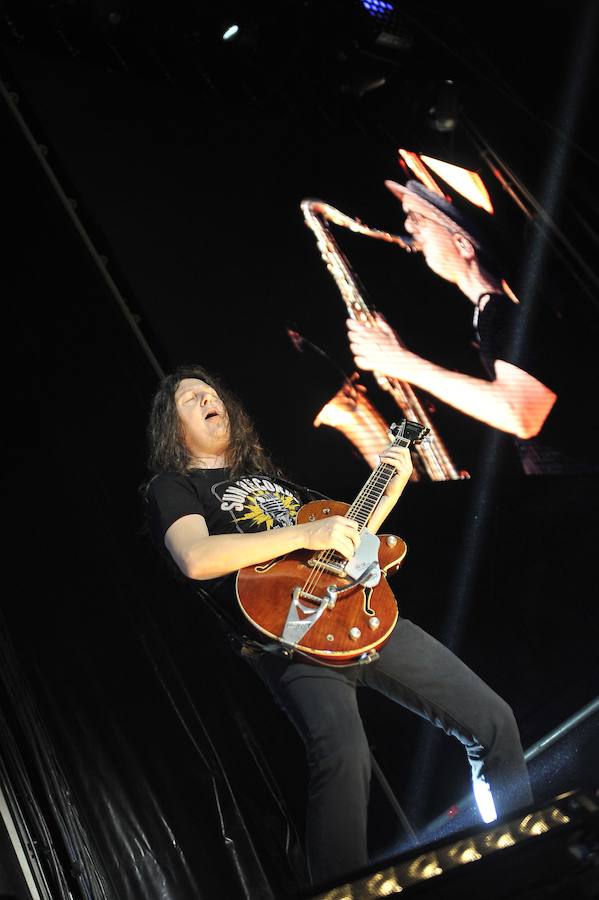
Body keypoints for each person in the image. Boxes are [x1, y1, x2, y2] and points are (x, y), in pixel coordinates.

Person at [143, 363, 533, 887]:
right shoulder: (176, 485)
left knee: (493, 720)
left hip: (358, 613)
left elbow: (353, 530)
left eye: (211, 392)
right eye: (190, 399)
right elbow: (195, 557)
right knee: (345, 760)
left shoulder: (275, 483)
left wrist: (391, 475)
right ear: (172, 427)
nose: (207, 398)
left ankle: (518, 854)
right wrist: (308, 536)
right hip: (287, 634)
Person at [347, 179, 598, 475]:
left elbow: (520, 412)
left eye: (418, 218)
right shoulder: (492, 315)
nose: (409, 228)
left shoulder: (502, 314)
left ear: (463, 244)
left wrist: (399, 361)